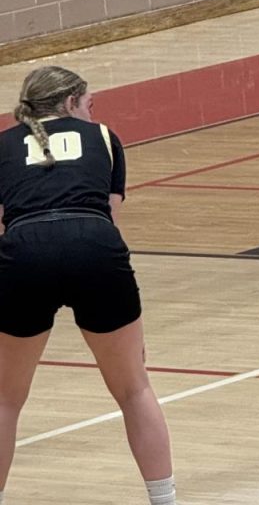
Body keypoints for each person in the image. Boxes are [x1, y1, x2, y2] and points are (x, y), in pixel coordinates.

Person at [0, 67, 177, 504]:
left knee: (4, 398)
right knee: (134, 387)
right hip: (93, 244)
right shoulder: (102, 137)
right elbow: (110, 215)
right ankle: (164, 500)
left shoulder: (2, 144)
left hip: (24, 250)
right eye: (88, 104)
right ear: (70, 104)